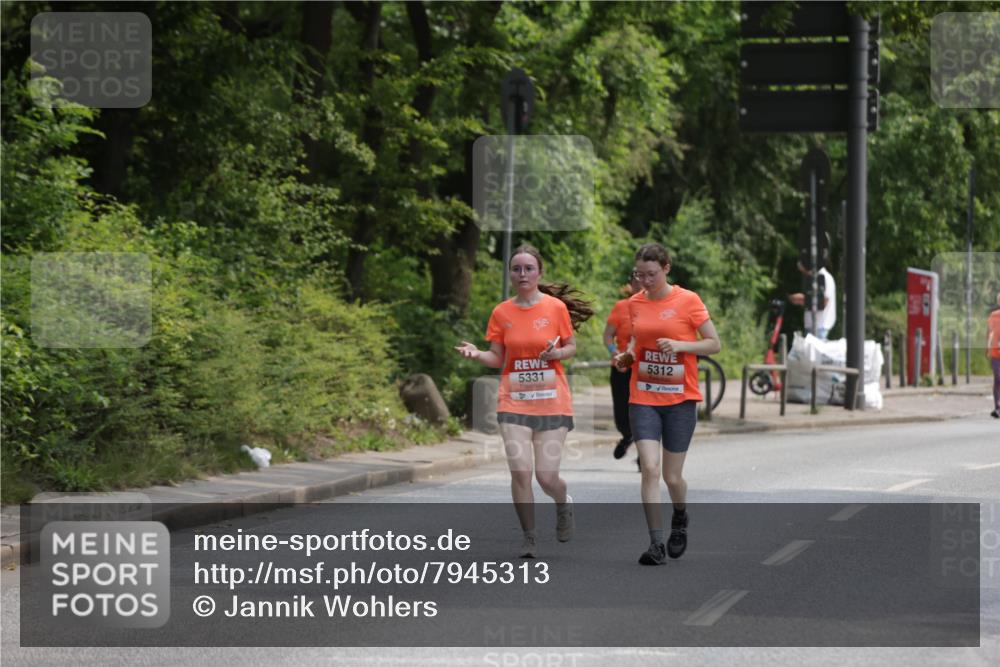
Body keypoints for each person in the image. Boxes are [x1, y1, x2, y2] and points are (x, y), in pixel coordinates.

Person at [456, 244, 593, 558]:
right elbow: (497, 357)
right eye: (516, 269)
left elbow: (571, 346)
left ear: (539, 273)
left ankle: (563, 502)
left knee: (546, 477)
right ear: (510, 274)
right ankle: (529, 537)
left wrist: (556, 353)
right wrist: (477, 354)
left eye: (529, 268)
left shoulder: (555, 308)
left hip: (552, 401)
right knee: (520, 472)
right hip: (514, 401)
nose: (522, 274)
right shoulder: (502, 312)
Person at [614, 243, 721, 565]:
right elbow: (636, 342)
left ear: (666, 268)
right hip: (643, 397)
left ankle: (680, 515)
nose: (645, 281)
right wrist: (626, 357)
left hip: (680, 400)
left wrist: (680, 345)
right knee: (649, 468)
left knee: (672, 477)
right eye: (640, 275)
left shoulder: (688, 301)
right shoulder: (634, 303)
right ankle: (656, 544)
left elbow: (714, 344)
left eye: (651, 274)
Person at [604, 275, 642, 461]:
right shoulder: (621, 306)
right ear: (631, 284)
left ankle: (644, 456)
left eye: (645, 278)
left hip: (642, 369)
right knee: (621, 413)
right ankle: (627, 436)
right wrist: (614, 352)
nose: (640, 284)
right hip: (621, 367)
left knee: (643, 413)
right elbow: (607, 335)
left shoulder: (655, 307)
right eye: (636, 281)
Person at [789, 261, 836, 340]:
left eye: (805, 271)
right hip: (814, 326)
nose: (805, 273)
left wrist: (802, 299)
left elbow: (823, 302)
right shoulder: (816, 278)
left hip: (819, 327)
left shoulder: (824, 277)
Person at [987, 293, 1000, 418]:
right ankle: (997, 407)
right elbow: (990, 332)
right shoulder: (994, 316)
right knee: (998, 378)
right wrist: (988, 347)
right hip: (996, 352)